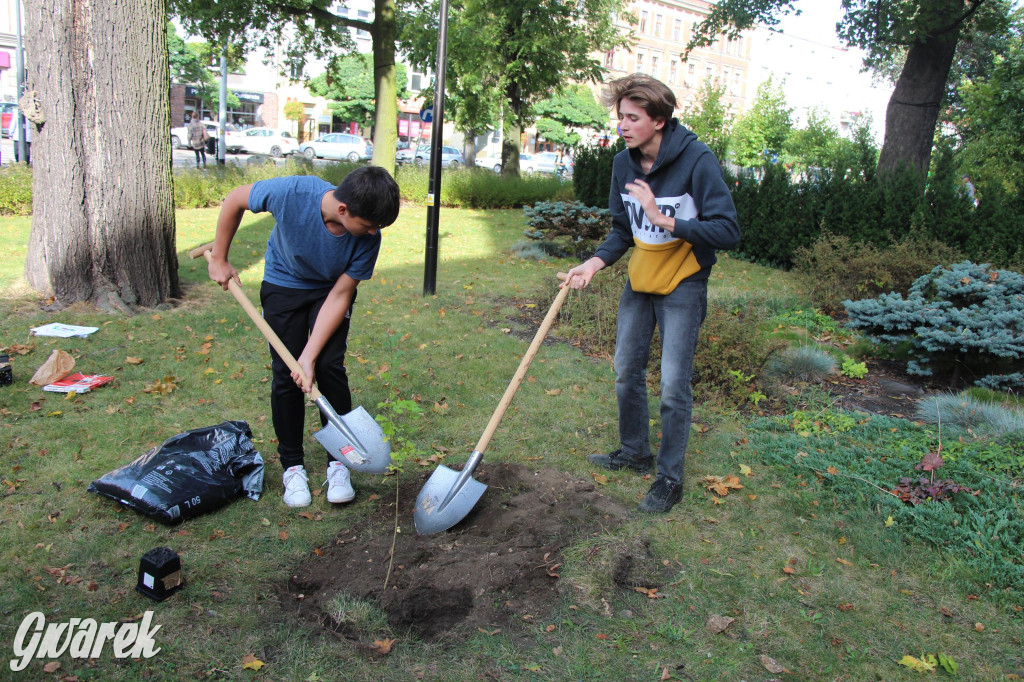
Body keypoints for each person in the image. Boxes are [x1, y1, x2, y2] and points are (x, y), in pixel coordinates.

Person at [561, 74, 740, 514]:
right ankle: (635, 451)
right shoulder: (623, 164)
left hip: (684, 281)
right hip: (641, 281)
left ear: (658, 120)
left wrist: (667, 220)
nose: (621, 125)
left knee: (673, 385)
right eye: (619, 116)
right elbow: (623, 228)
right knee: (626, 370)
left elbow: (728, 230)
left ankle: (669, 478)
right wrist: (593, 263)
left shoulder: (697, 160)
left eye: (631, 117)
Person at [207, 166, 401, 508]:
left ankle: (338, 461)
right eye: (369, 224)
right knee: (286, 374)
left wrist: (309, 357)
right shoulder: (293, 193)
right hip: (285, 285)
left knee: (328, 367)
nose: (373, 232)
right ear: (343, 210)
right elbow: (237, 198)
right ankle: (293, 466)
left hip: (330, 291)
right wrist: (220, 258)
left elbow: (341, 295)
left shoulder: (369, 238)